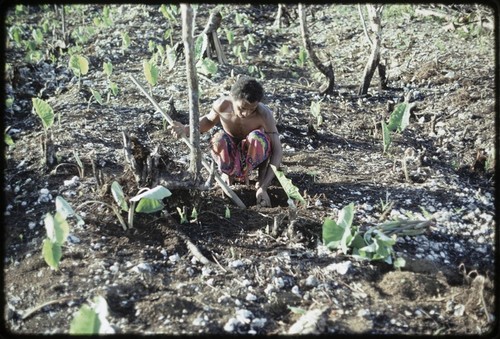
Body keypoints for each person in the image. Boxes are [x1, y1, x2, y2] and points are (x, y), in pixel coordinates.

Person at [170, 76, 282, 207]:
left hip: (253, 156)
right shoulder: (222, 105)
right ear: (232, 97)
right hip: (231, 151)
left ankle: (257, 177)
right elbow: (208, 121)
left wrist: (263, 187)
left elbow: (277, 151)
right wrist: (185, 129)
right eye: (242, 108)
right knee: (219, 138)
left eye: (251, 109)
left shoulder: (264, 113)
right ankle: (228, 173)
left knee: (257, 138)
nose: (246, 113)